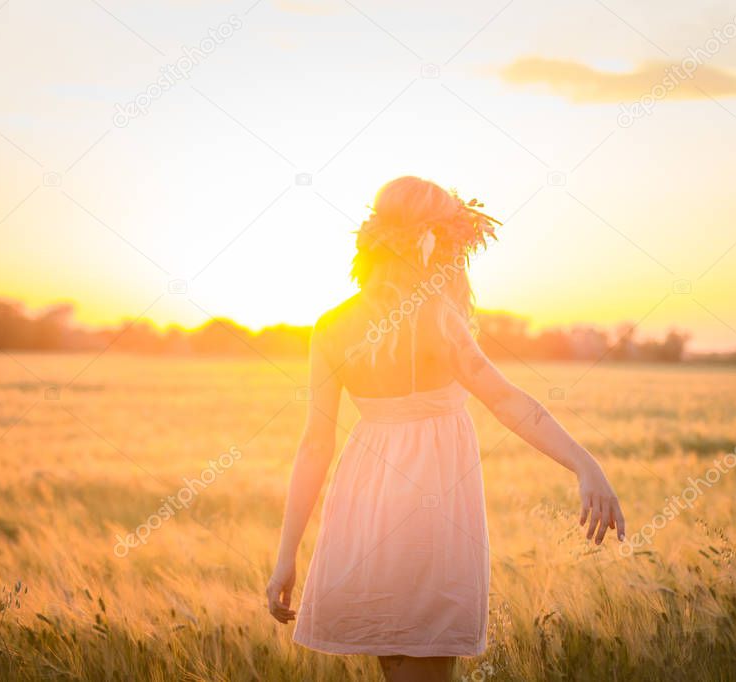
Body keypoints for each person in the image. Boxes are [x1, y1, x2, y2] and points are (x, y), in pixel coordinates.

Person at [267, 176, 625, 682]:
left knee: (395, 662)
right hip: (433, 500)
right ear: (430, 241)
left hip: (364, 501)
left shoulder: (330, 325)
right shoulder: (437, 315)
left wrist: (286, 558)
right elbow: (505, 401)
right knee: (427, 662)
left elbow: (314, 445)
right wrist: (585, 462)